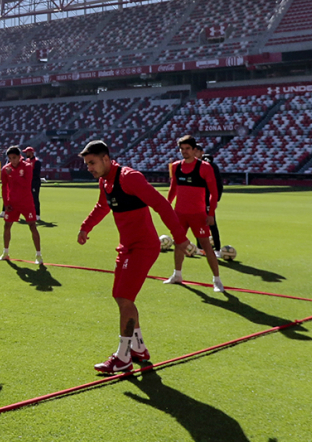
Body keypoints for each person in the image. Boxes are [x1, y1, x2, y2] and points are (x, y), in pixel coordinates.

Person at [76, 141, 187, 375]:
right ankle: (138, 349)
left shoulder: (129, 177)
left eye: (92, 163)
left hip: (143, 247)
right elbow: (102, 206)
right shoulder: (104, 181)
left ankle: (122, 357)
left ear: (106, 158)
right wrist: (86, 227)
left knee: (124, 298)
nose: (89, 168)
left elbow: (161, 204)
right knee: (121, 298)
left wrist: (180, 237)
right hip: (126, 247)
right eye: (87, 164)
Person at [164, 136, 225, 292]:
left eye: (187, 149)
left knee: (206, 246)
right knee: (178, 243)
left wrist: (210, 213)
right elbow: (173, 189)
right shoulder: (176, 166)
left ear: (194, 150)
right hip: (180, 214)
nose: (184, 152)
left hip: (198, 214)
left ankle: (217, 280)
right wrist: (167, 205)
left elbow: (213, 192)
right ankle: (177, 274)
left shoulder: (204, 167)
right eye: (182, 149)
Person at [0, 146, 42, 264]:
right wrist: (6, 203)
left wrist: (13, 174)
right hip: (12, 203)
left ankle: (38, 255)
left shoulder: (27, 167)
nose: (12, 160)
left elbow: (26, 184)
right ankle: (5, 252)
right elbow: (4, 187)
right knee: (7, 226)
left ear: (19, 157)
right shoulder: (5, 169)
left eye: (14, 158)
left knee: (32, 226)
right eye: (10, 158)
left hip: (26, 202)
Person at [200, 151, 226, 256]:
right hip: (198, 200)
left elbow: (218, 184)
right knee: (199, 223)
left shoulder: (209, 166)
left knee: (211, 223)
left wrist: (216, 199)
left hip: (207, 199)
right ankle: (200, 248)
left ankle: (217, 248)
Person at [24, 146, 44, 221]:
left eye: (27, 152)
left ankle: (37, 214)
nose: (26, 153)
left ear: (31, 153)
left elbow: (36, 174)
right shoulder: (27, 161)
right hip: (28, 182)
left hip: (34, 182)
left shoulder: (37, 162)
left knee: (35, 198)